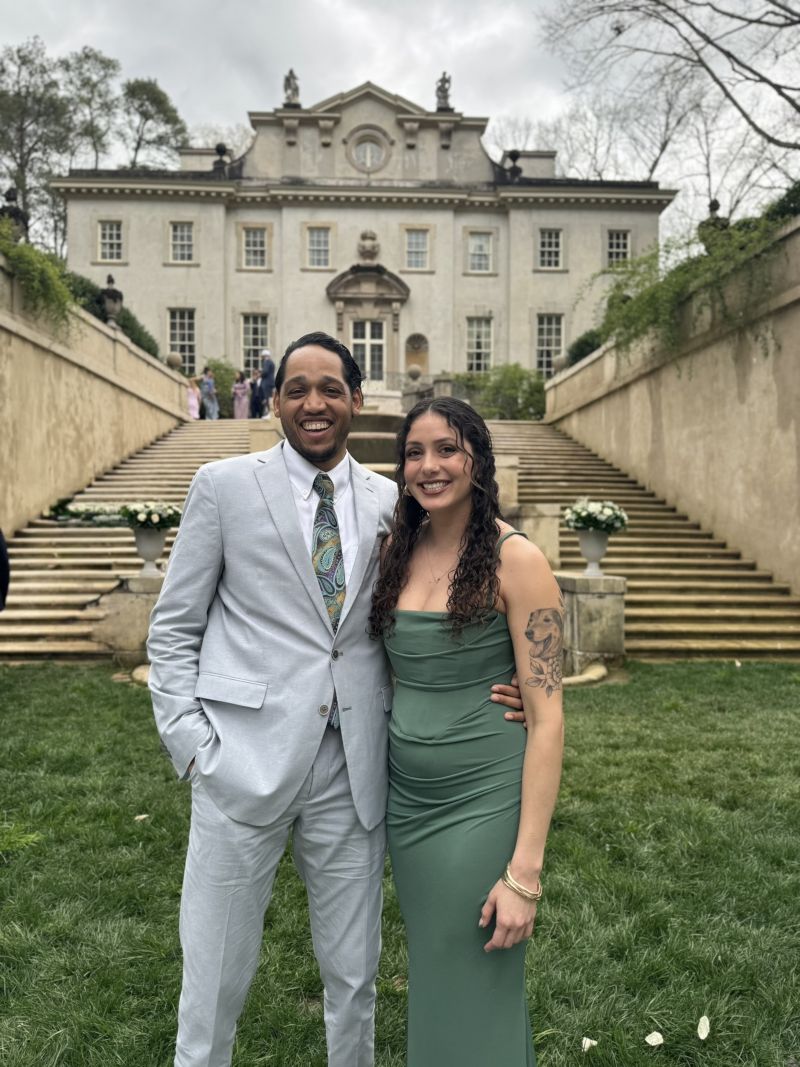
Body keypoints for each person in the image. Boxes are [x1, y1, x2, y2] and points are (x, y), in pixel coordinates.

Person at [146, 333, 523, 1067]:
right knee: (213, 984)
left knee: (354, 981)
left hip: (354, 772)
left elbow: (455, 571)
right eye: (296, 389)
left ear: (355, 397)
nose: (312, 403)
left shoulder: (392, 501)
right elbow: (173, 628)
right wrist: (191, 744)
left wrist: (496, 673)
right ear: (276, 401)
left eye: (328, 388)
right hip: (239, 763)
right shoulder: (222, 486)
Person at [369, 397, 564, 1066]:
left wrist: (525, 872)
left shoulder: (519, 560)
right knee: (435, 970)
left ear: (477, 460)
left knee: (480, 975)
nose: (429, 466)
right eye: (414, 452)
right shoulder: (395, 550)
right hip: (409, 805)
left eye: (447, 449)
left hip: (484, 796)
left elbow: (548, 720)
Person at [258, 348, 276, 419]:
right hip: (270, 382)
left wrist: (260, 374)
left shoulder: (267, 361)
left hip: (267, 383)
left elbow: (265, 372)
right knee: (269, 398)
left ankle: (269, 414)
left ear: (264, 356)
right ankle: (269, 414)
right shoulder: (271, 362)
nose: (261, 358)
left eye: (262, 356)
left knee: (267, 398)